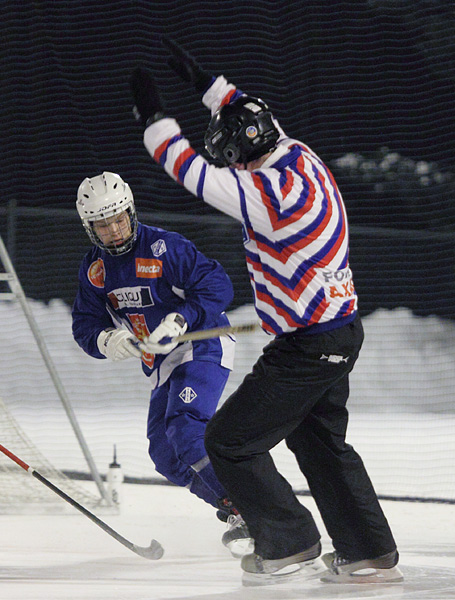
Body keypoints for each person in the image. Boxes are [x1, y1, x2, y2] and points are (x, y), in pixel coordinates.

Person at [127, 39, 403, 584]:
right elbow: (251, 112)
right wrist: (205, 81)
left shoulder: (265, 194)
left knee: (228, 440)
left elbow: (186, 168)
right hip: (339, 330)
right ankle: (369, 552)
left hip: (308, 344)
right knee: (319, 440)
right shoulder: (298, 154)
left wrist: (153, 117)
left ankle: (290, 542)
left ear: (238, 156)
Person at [70, 171, 246, 553]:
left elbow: (218, 284)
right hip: (162, 362)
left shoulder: (166, 247)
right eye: (103, 225)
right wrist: (106, 338)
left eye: (119, 219)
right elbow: (85, 324)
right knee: (165, 454)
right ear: (90, 228)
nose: (114, 231)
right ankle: (235, 507)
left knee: (185, 427)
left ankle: (253, 510)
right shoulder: (94, 271)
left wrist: (181, 318)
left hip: (202, 344)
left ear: (131, 212)